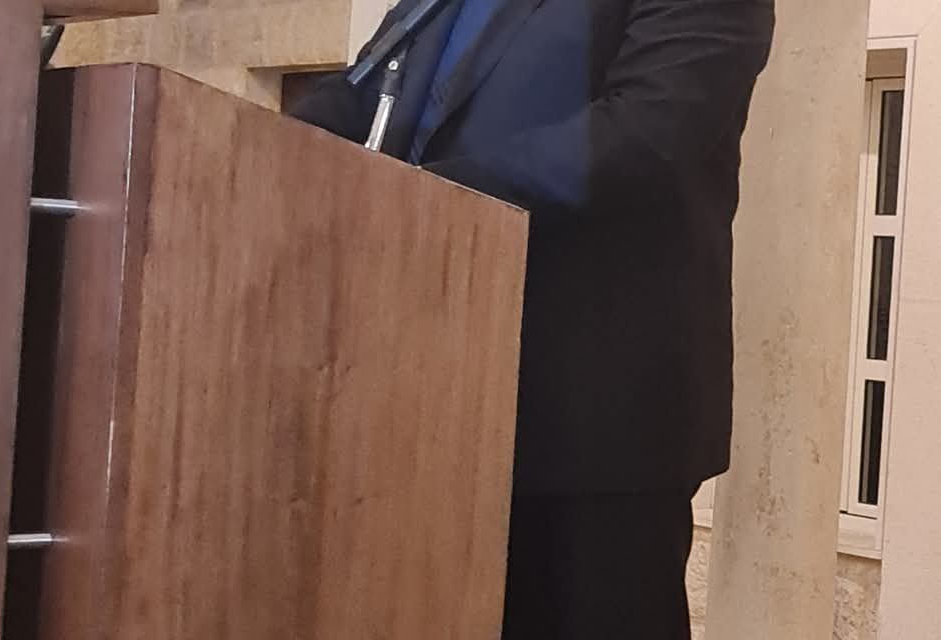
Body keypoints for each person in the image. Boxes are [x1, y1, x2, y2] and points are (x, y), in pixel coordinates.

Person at [291, 0, 775, 637]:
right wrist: (252, 150)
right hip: (427, 414)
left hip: (590, 425)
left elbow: (647, 133)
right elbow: (362, 94)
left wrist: (421, 198)